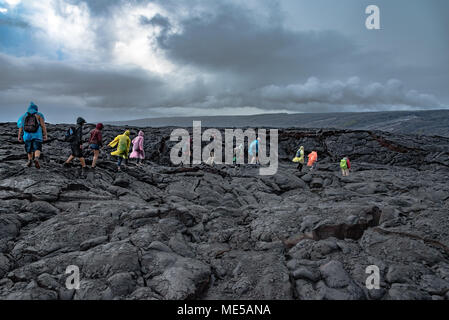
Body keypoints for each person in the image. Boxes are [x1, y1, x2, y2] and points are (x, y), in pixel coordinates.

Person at [17, 102, 48, 169]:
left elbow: (20, 127)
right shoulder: (39, 115)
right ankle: (36, 158)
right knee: (37, 148)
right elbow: (43, 126)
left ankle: (30, 160)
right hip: (37, 135)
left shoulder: (24, 116)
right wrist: (45, 134)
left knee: (29, 149)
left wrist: (19, 136)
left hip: (27, 136)